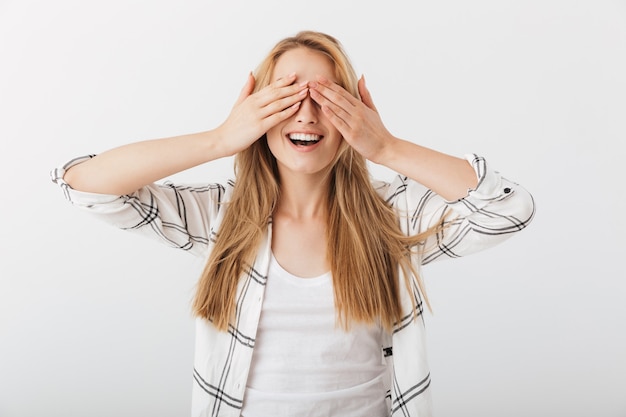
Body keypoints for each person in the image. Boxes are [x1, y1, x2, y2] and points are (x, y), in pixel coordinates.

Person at [51, 30, 535, 417]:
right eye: (285, 96)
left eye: (325, 96)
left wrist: (386, 147)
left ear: (353, 113)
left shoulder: (394, 218)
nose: (306, 113)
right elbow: (83, 184)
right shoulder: (220, 217)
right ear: (257, 112)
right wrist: (220, 139)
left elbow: (509, 209)